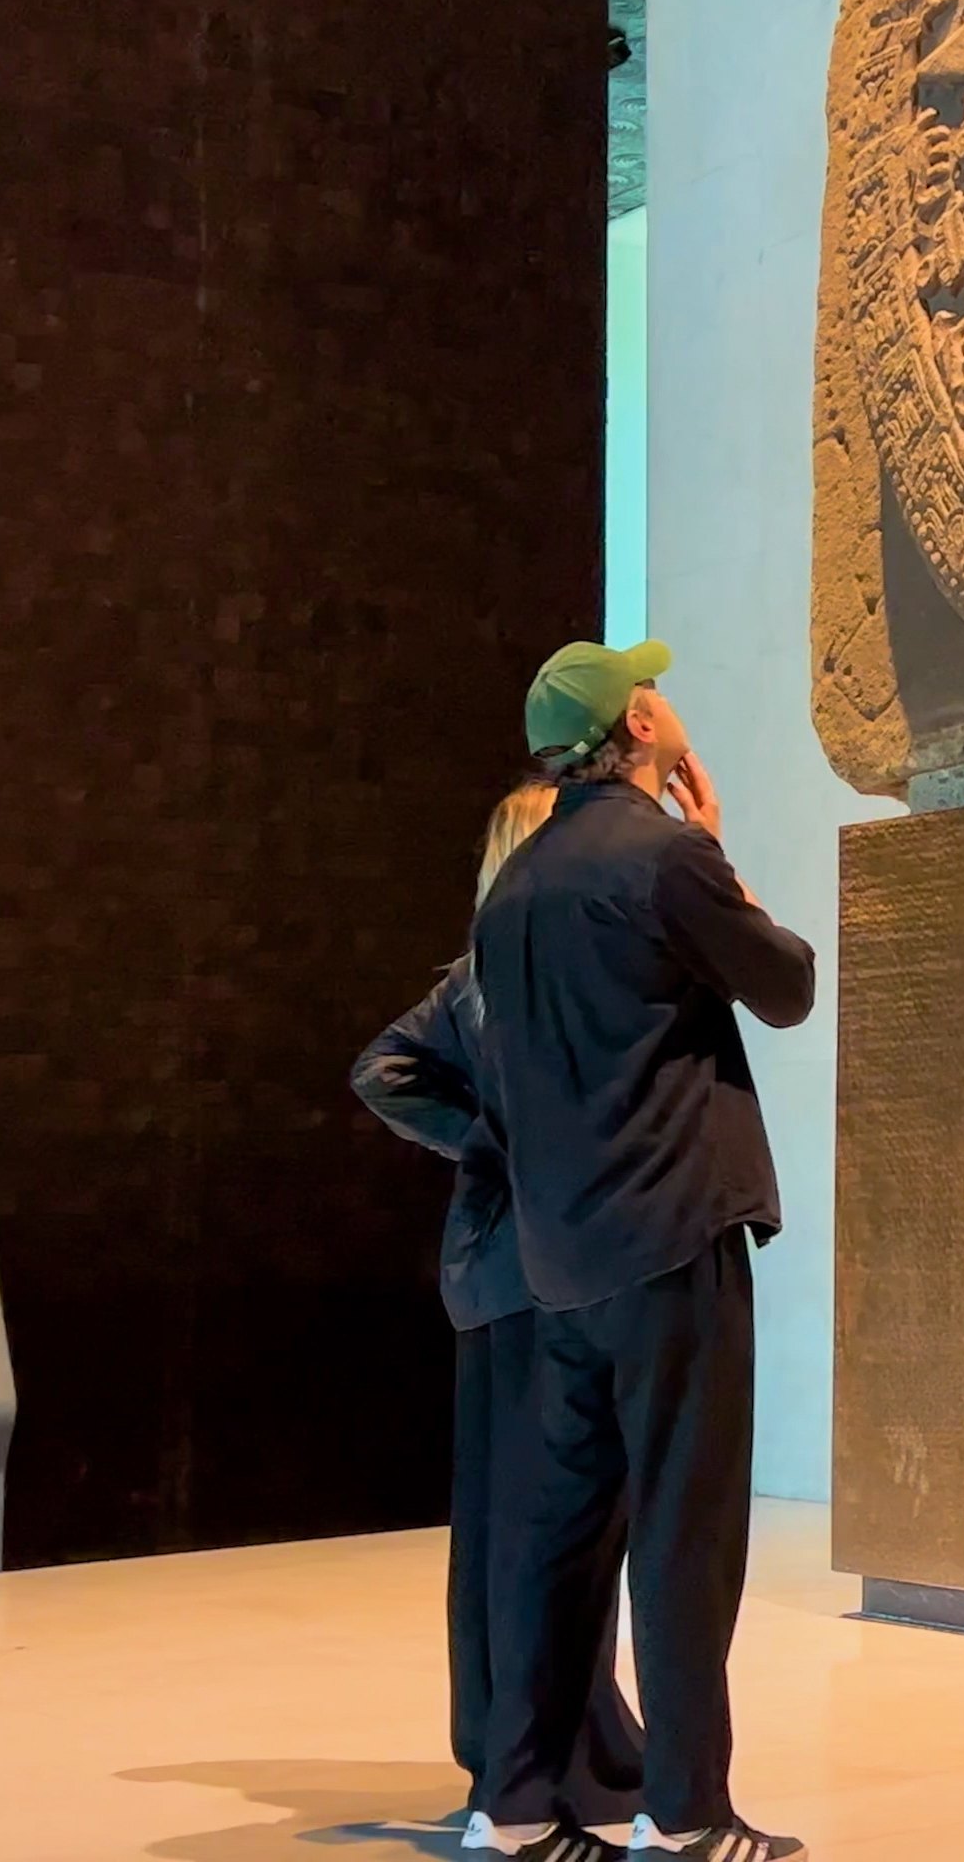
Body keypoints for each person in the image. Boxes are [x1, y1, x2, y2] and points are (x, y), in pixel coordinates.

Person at [469, 640, 817, 1862]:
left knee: (564, 1539)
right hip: (671, 1239)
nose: (667, 704)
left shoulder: (512, 892)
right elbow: (785, 987)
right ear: (637, 726)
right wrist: (715, 849)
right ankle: (688, 1814)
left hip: (560, 1258)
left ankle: (515, 1807)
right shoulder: (665, 860)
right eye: (651, 694)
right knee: (685, 1529)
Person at [349, 784, 648, 1850]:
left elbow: (381, 1070)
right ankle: (551, 1753)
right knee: (554, 1528)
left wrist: (478, 1136)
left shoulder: (482, 979)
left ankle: (520, 1743)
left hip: (494, 1282)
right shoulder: (527, 980)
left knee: (508, 1526)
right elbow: (380, 1073)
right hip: (544, 1279)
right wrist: (499, 1139)